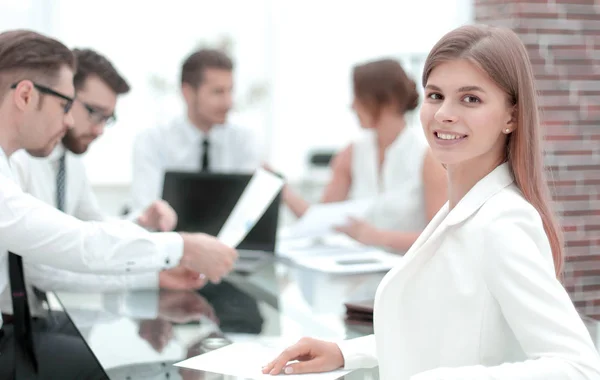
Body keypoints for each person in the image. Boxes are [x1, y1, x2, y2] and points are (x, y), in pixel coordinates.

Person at [262, 24, 600, 379]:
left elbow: (577, 366)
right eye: (436, 95)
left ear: (511, 116)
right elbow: (442, 332)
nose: (443, 114)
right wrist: (345, 352)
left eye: (471, 99)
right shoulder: (462, 210)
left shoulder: (503, 223)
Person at [0, 29, 236, 378]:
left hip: (26, 316)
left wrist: (146, 235)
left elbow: (87, 230)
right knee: (114, 365)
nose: (68, 122)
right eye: (67, 106)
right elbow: (71, 247)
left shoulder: (32, 163)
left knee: (128, 351)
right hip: (12, 327)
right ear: (24, 95)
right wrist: (181, 246)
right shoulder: (16, 167)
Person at [4, 49, 200, 318]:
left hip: (42, 312)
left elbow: (92, 228)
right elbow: (42, 265)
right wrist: (170, 256)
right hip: (18, 323)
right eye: (93, 112)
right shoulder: (19, 159)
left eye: (107, 118)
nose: (99, 129)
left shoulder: (70, 163)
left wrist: (142, 223)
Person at [277, 59, 447, 254]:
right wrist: (284, 192)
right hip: (359, 273)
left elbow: (438, 238)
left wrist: (377, 237)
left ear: (386, 100)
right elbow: (319, 221)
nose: (352, 105)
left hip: (408, 273)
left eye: (358, 97)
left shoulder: (427, 158)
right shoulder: (351, 153)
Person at [129, 48, 263, 213]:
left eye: (230, 91)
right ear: (188, 93)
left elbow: (248, 212)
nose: (228, 102)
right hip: (169, 238)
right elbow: (145, 211)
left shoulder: (244, 141)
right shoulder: (152, 141)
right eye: (218, 92)